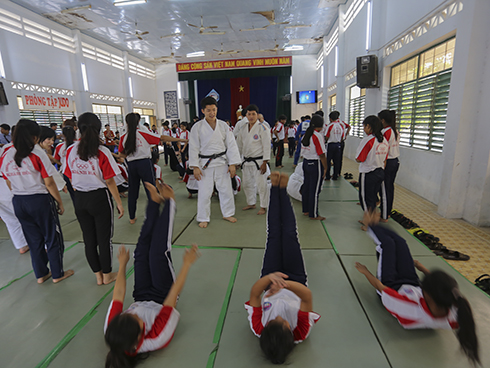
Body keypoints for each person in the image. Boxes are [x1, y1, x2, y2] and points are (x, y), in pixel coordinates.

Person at [355, 210, 479, 365]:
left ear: (426, 293)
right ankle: (374, 225)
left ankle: (371, 226)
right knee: (401, 243)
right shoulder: (455, 309)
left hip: (391, 285)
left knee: (387, 244)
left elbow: (381, 287)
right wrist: (421, 268)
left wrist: (365, 272)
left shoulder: (408, 308)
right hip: (412, 284)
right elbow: (441, 287)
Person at [104, 182, 200, 368]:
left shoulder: (113, 331)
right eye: (136, 319)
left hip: (141, 294)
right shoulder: (157, 337)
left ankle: (155, 203)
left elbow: (118, 295)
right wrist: (186, 265)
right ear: (140, 336)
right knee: (157, 253)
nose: (133, 313)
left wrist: (123, 265)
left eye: (128, 314)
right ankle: (170, 203)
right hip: (162, 295)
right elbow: (171, 298)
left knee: (141, 252)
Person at [245, 172, 320, 364]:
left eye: (272, 321)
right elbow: (307, 297)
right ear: (290, 332)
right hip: (295, 280)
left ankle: (274, 189)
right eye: (283, 322)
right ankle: (283, 191)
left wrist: (270, 278)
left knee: (273, 235)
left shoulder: (258, 328)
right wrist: (285, 285)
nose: (278, 317)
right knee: (288, 235)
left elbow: (254, 294)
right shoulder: (301, 331)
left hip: (270, 278)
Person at [0, 119, 74, 283]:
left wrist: (19, 192)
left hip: (19, 201)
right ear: (34, 137)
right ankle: (57, 273)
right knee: (52, 237)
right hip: (39, 200)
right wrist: (59, 202)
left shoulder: (6, 152)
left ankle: (41, 274)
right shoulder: (36, 152)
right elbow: (49, 182)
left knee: (33, 239)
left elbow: (7, 180)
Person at [65, 113, 124, 285]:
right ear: (98, 129)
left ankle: (98, 276)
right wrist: (119, 203)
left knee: (89, 239)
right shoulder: (102, 151)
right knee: (104, 239)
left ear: (79, 128)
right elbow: (110, 180)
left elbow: (68, 175)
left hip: (80, 198)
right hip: (99, 198)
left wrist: (78, 185)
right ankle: (107, 275)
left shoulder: (70, 150)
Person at [118, 113, 184, 224]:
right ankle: (154, 216)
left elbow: (121, 154)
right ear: (138, 121)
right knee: (151, 190)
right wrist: (180, 139)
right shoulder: (142, 133)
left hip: (132, 165)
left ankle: (132, 218)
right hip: (144, 163)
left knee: (133, 192)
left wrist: (130, 156)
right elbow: (161, 138)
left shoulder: (124, 137)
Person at [188, 96, 241, 228]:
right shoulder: (197, 127)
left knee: (226, 190)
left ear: (217, 109)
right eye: (208, 110)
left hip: (222, 162)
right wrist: (194, 166)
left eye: (214, 110)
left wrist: (232, 163)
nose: (212, 113)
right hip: (204, 164)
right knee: (205, 192)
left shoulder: (223, 125)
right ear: (203, 111)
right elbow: (193, 146)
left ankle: (228, 213)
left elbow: (231, 145)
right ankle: (203, 217)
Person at [236, 104, 271, 215]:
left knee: (261, 185)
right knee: (247, 184)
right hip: (246, 161)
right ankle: (251, 203)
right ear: (246, 115)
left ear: (257, 115)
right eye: (249, 114)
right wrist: (237, 160)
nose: (251, 116)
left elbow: (266, 146)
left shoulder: (263, 128)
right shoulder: (242, 129)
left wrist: (265, 162)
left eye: (253, 114)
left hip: (259, 161)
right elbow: (239, 146)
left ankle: (263, 206)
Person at [355, 116, 389, 228]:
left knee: (365, 198)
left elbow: (359, 158)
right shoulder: (384, 141)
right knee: (373, 197)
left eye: (364, 126)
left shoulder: (368, 140)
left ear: (369, 126)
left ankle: (369, 223)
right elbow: (385, 159)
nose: (364, 129)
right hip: (380, 172)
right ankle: (371, 219)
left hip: (368, 172)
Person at [301, 115, 328, 220]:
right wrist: (325, 168)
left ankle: (306, 210)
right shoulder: (317, 136)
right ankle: (314, 214)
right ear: (320, 125)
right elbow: (321, 154)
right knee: (315, 190)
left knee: (307, 187)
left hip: (306, 163)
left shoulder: (306, 135)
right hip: (315, 164)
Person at [378, 110, 400, 222]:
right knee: (389, 187)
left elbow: (383, 148)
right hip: (395, 161)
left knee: (385, 189)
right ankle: (387, 210)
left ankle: (384, 215)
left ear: (382, 120)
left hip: (388, 162)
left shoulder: (386, 132)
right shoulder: (395, 130)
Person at [54, 126, 76, 203]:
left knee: (73, 195)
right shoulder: (79, 145)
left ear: (63, 135)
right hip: (79, 172)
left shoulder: (59, 146)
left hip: (66, 172)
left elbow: (56, 159)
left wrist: (62, 163)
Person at [324, 111, 345, 180]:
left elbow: (327, 136)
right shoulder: (340, 126)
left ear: (330, 118)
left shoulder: (330, 126)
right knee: (337, 161)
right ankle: (335, 175)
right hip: (338, 145)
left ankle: (327, 176)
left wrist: (326, 141)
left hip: (330, 144)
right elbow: (342, 137)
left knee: (328, 161)